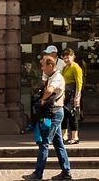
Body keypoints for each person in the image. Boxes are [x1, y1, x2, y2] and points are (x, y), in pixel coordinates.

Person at [27, 53, 72, 181]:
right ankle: (66, 171)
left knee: (44, 143)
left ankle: (38, 173)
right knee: (58, 144)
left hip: (54, 113)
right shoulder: (52, 76)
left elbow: (50, 90)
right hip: (55, 112)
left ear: (50, 65)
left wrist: (43, 99)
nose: (42, 68)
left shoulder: (57, 77)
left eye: (43, 66)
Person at [61, 48, 84, 144]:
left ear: (73, 56)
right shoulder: (65, 67)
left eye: (68, 57)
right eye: (64, 58)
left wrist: (77, 96)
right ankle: (64, 135)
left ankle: (75, 137)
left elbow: (79, 82)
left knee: (72, 114)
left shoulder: (76, 67)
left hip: (72, 92)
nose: (66, 60)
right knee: (64, 114)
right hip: (65, 92)